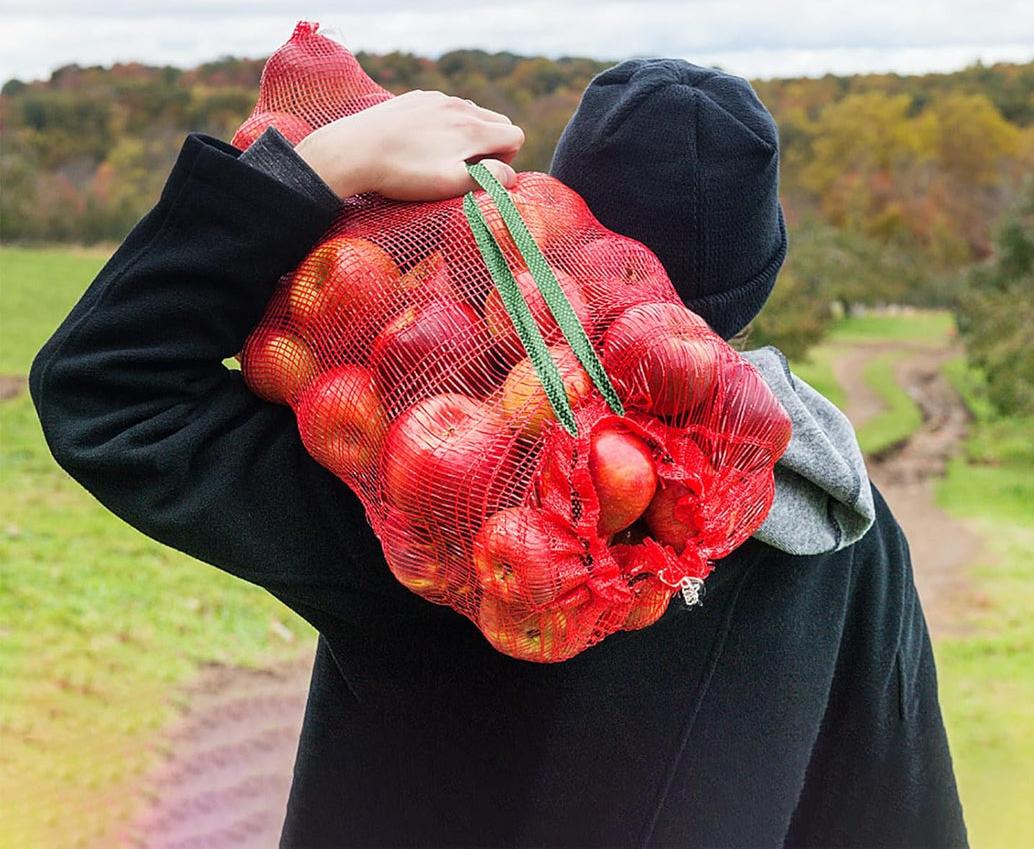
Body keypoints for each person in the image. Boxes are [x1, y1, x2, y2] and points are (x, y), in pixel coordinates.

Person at [31, 61, 967, 848]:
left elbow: (108, 388)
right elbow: (898, 813)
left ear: (556, 233)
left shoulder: (427, 499)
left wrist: (325, 164)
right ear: (762, 276)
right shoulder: (844, 527)